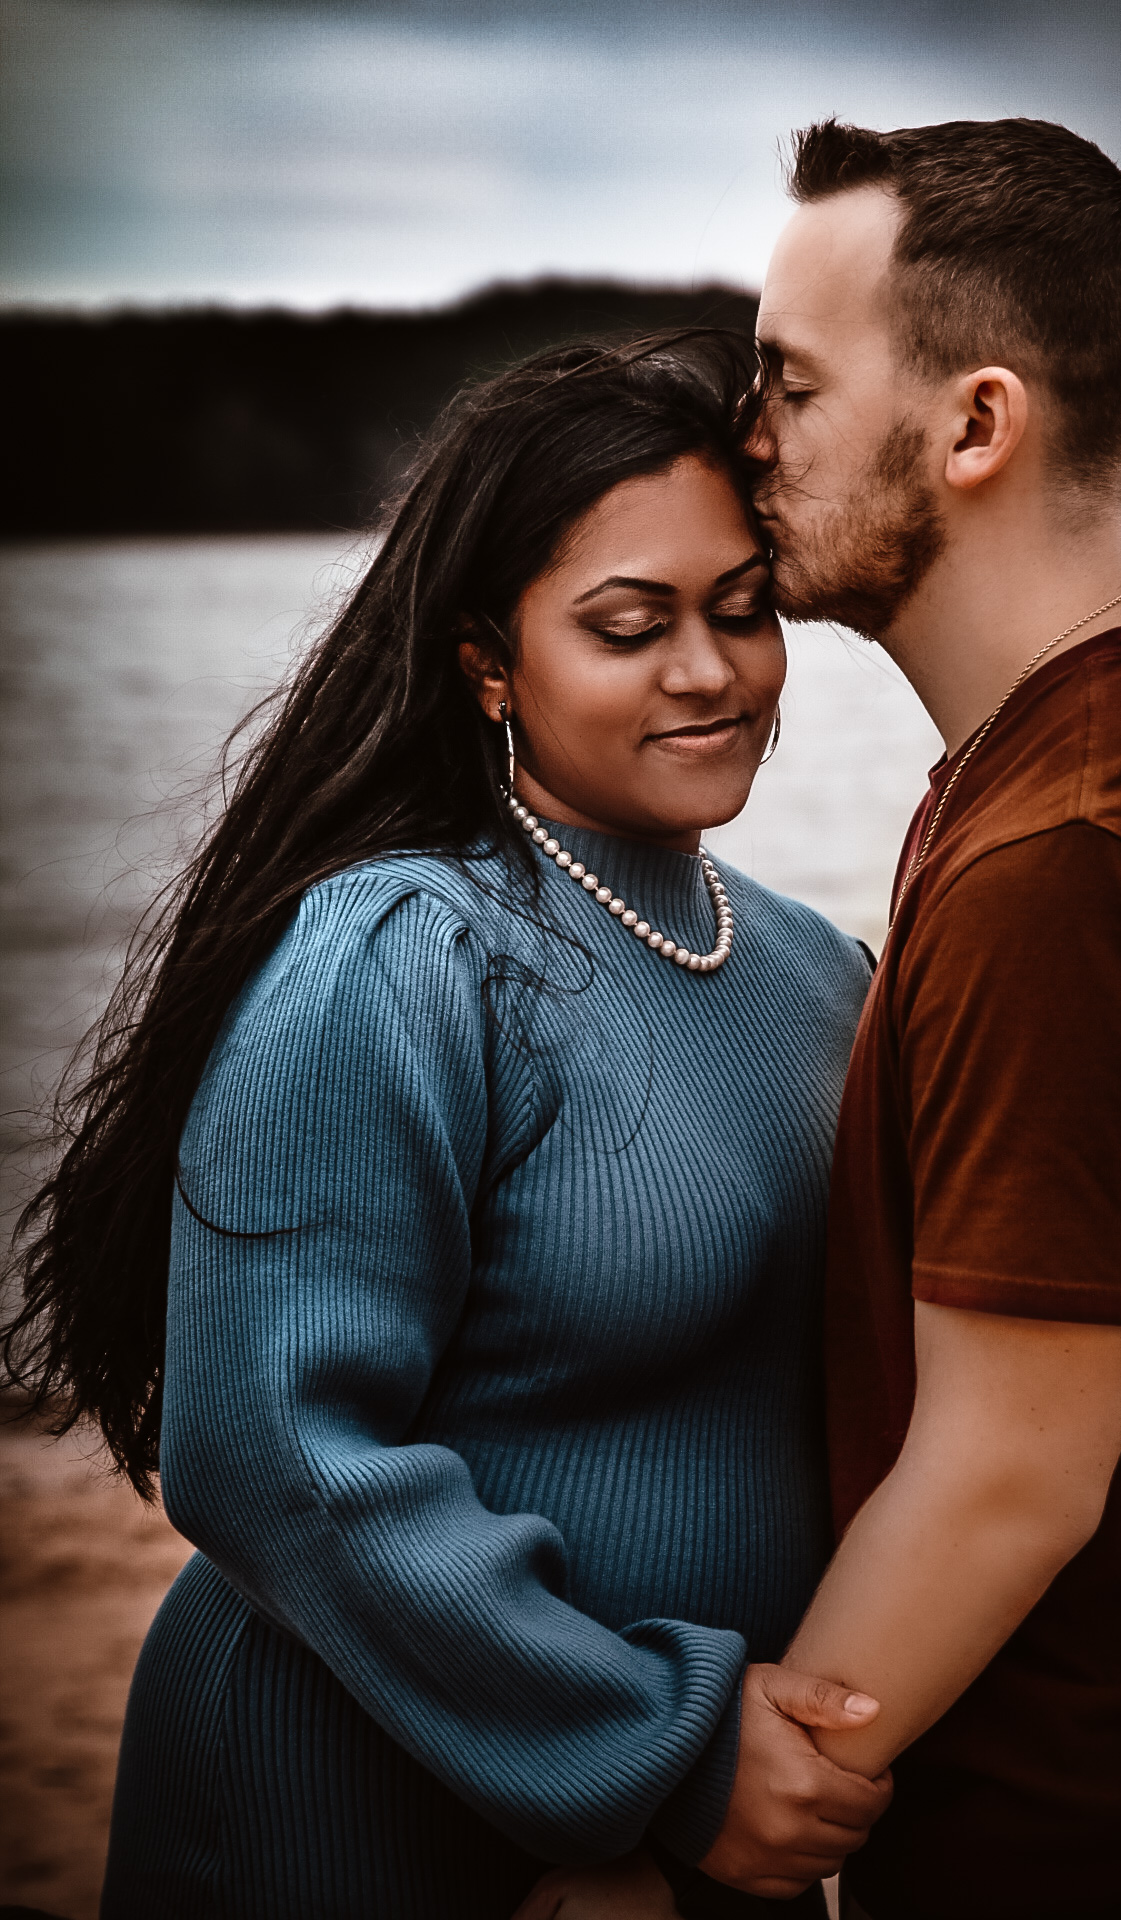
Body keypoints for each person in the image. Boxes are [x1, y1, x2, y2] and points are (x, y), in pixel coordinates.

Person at [1, 333, 894, 1919]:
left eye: (743, 612)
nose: (709, 670)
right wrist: (650, 1762)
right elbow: (275, 1452)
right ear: (490, 662)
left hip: (680, 1838)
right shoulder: (408, 954)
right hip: (359, 1800)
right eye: (630, 628)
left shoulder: (820, 971)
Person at [532, 119, 1121, 1920]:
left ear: (974, 426)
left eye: (787, 377)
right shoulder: (1072, 754)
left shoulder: (1076, 851)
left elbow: (1006, 1472)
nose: (747, 431)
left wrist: (719, 1813)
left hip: (1104, 1844)